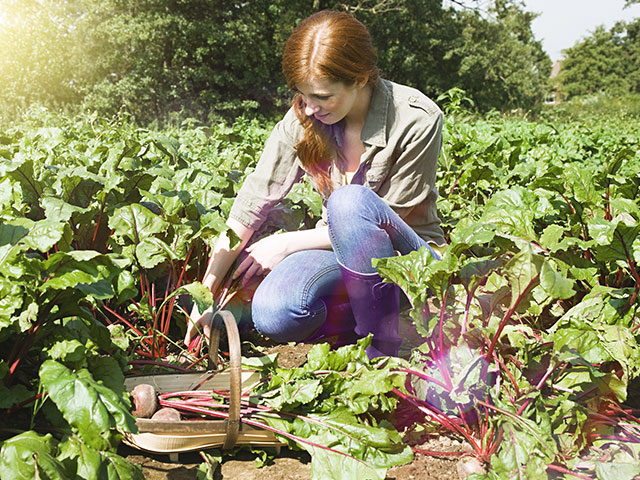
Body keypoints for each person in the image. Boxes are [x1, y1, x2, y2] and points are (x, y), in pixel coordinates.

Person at [184, 10, 445, 359]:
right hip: (339, 255)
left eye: (321, 96)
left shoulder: (417, 119)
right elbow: (250, 206)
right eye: (302, 95)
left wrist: (286, 244)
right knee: (274, 311)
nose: (307, 108)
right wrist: (207, 289)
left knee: (349, 202)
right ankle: (357, 320)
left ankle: (383, 349)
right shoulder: (305, 117)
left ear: (361, 78)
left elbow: (388, 220)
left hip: (408, 260)